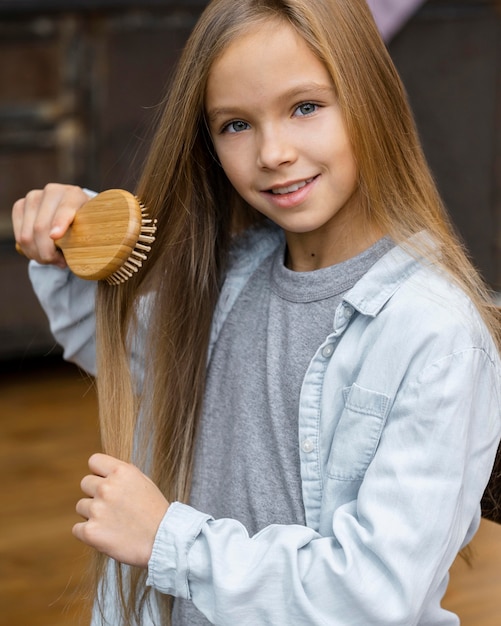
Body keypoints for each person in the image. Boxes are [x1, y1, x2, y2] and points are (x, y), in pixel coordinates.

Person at [11, 0, 501, 624]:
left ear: (372, 99)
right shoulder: (229, 276)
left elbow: (374, 595)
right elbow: (121, 352)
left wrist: (168, 540)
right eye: (235, 125)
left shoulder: (436, 333)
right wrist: (68, 241)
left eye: (305, 107)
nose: (272, 152)